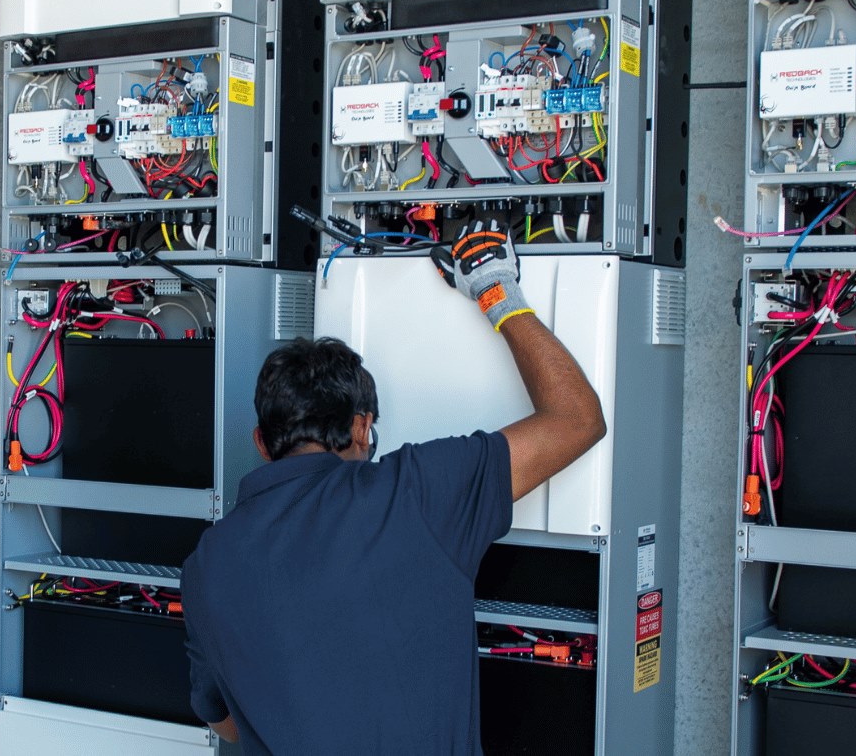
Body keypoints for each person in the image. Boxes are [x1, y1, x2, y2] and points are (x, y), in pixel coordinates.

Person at [180, 224, 608, 753]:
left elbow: (219, 716)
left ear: (262, 443)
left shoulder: (206, 565)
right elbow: (578, 419)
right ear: (363, 428)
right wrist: (495, 289)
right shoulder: (415, 493)